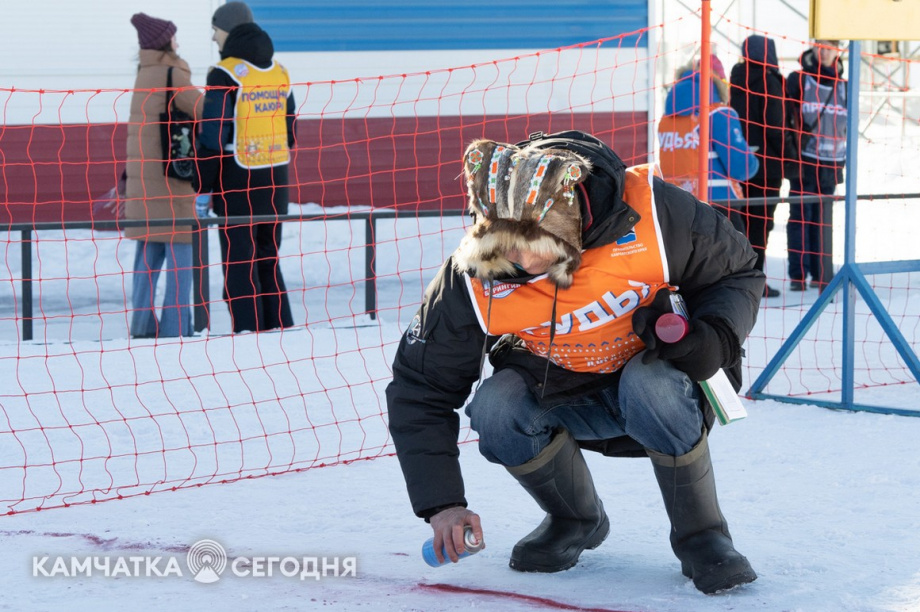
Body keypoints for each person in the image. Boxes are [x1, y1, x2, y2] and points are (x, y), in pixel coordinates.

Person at [387, 130, 764, 594]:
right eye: (501, 239)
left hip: (659, 381)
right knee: (495, 406)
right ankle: (575, 519)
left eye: (531, 242)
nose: (516, 259)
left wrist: (715, 337)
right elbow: (420, 387)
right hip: (562, 392)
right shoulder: (472, 275)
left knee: (652, 384)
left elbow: (738, 272)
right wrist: (441, 502)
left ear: (570, 225)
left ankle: (703, 537)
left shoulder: (655, 215)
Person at [194, 2, 296, 333]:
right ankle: (280, 328)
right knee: (268, 257)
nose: (213, 37)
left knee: (239, 260)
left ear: (229, 30)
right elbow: (290, 131)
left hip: (237, 180)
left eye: (216, 29)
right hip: (276, 178)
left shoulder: (223, 73)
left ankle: (248, 331)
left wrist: (202, 189)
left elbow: (212, 135)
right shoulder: (279, 72)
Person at [125, 13, 203, 338]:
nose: (177, 42)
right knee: (181, 255)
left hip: (142, 180)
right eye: (173, 36)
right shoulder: (174, 71)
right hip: (171, 180)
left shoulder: (143, 73)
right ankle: (176, 327)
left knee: (147, 254)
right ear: (164, 41)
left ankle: (142, 325)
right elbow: (202, 108)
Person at [785, 40, 847, 292]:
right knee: (800, 216)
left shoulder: (845, 86)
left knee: (824, 220)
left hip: (832, 162)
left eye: (832, 46)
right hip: (804, 159)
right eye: (821, 46)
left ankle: (823, 275)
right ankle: (798, 274)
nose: (826, 51)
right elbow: (787, 117)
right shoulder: (798, 80)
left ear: (838, 51)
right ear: (813, 48)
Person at [658, 54, 759, 206]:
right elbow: (741, 167)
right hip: (718, 202)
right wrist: (753, 161)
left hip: (675, 204)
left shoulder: (666, 119)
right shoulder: (719, 114)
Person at [730, 36, 788, 299]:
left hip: (739, 163)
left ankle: (738, 279)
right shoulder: (770, 82)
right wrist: (790, 156)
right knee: (762, 225)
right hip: (767, 166)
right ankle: (755, 282)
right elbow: (776, 127)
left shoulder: (734, 80)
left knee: (741, 224)